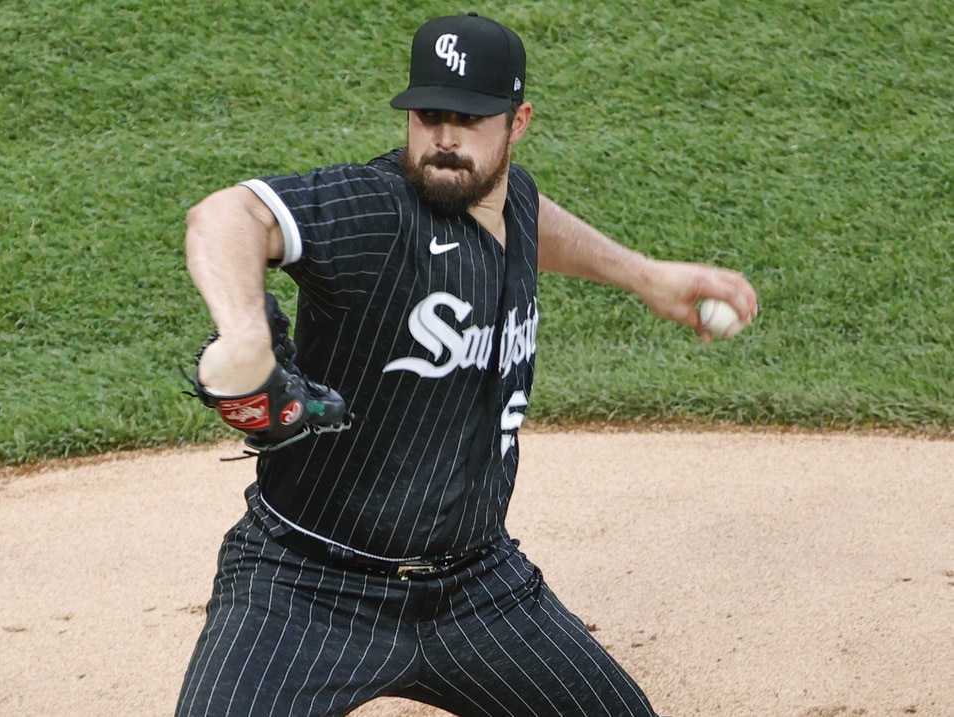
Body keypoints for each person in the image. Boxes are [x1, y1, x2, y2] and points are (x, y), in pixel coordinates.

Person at [176, 12, 758, 717]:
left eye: (471, 118)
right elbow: (227, 214)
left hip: (478, 586)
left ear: (517, 124)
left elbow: (528, 214)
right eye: (429, 115)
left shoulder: (506, 196)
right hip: (306, 585)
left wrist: (643, 275)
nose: (445, 137)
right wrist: (244, 334)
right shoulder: (381, 210)